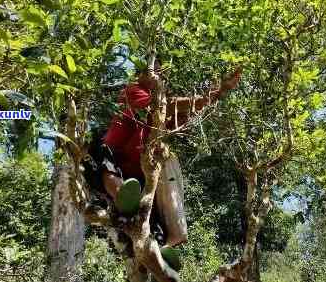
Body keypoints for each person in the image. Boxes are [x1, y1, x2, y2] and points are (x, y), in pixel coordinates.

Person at [97, 63, 242, 246]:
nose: (158, 76)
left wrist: (217, 94)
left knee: (166, 160)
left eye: (161, 74)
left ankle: (165, 242)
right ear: (141, 73)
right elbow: (164, 105)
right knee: (106, 164)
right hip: (118, 160)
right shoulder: (133, 90)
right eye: (154, 72)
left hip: (141, 173)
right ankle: (122, 198)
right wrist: (214, 94)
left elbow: (179, 115)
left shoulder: (159, 120)